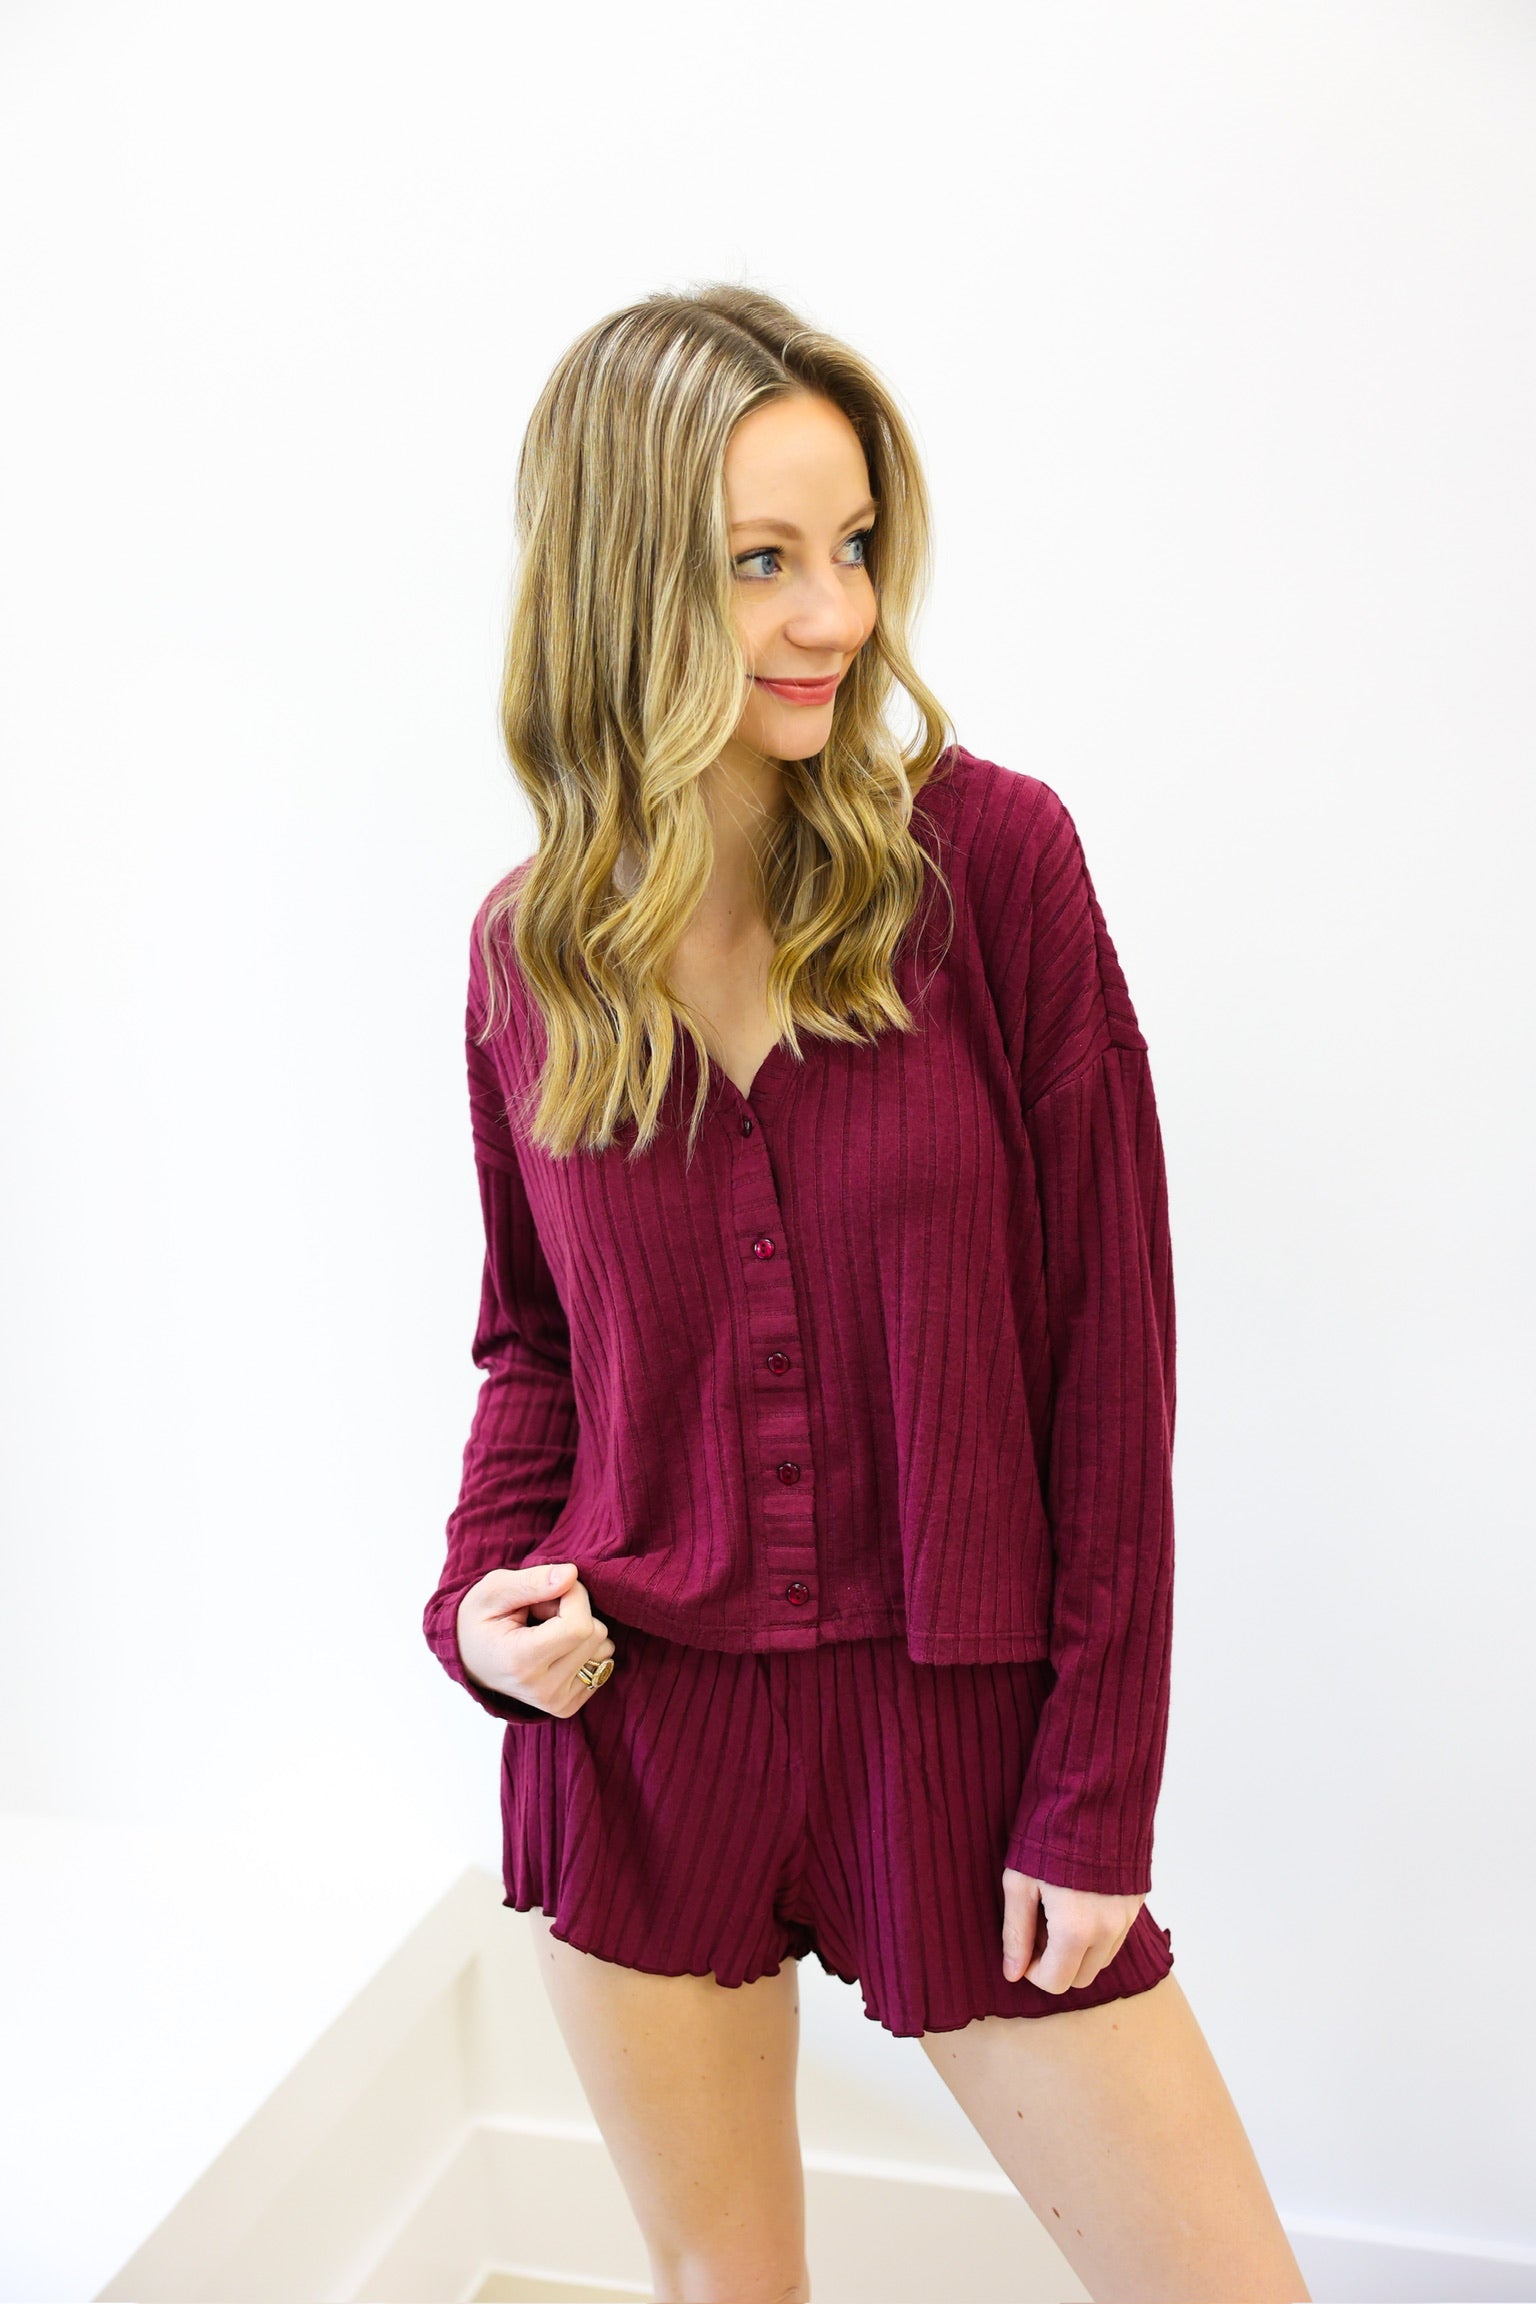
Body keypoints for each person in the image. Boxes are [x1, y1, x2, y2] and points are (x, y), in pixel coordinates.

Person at [423, 283, 1310, 2304]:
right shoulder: (527, 958)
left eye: (851, 551)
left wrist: (1092, 1794)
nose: (833, 614)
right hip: (643, 1747)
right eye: (759, 563)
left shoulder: (992, 868)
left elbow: (1111, 1359)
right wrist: (478, 1606)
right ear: (619, 587)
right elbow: (529, 1352)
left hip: (968, 1737)